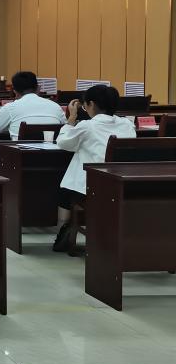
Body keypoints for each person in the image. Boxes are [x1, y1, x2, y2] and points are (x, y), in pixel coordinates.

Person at [53, 85, 136, 254]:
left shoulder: (87, 126)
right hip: (120, 184)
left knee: (65, 187)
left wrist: (71, 119)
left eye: (85, 105)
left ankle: (63, 229)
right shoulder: (127, 124)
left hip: (93, 188)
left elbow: (63, 143)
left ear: (91, 104)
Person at [0, 71, 65, 139]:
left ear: (14, 91)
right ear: (38, 88)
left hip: (21, 158)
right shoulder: (56, 107)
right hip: (53, 157)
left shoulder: (10, 108)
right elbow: (66, 130)